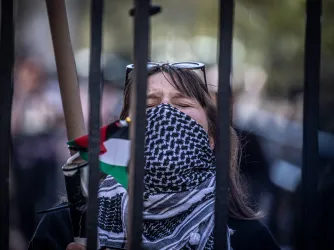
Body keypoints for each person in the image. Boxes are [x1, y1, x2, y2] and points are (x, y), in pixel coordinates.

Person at [28, 63, 280, 250]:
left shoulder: (248, 238)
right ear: (125, 132)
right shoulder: (67, 227)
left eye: (182, 105)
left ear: (211, 137)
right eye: (149, 104)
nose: (166, 112)